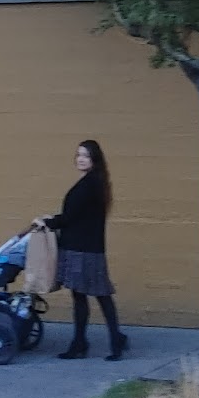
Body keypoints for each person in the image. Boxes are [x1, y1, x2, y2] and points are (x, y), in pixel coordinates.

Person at [33, 139, 127, 361]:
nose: (80, 159)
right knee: (94, 295)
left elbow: (70, 217)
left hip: (82, 249)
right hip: (87, 248)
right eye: (78, 155)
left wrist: (47, 222)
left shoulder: (89, 185)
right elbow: (77, 216)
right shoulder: (95, 183)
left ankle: (96, 342)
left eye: (85, 155)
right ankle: (96, 341)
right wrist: (52, 220)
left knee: (91, 296)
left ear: (95, 159)